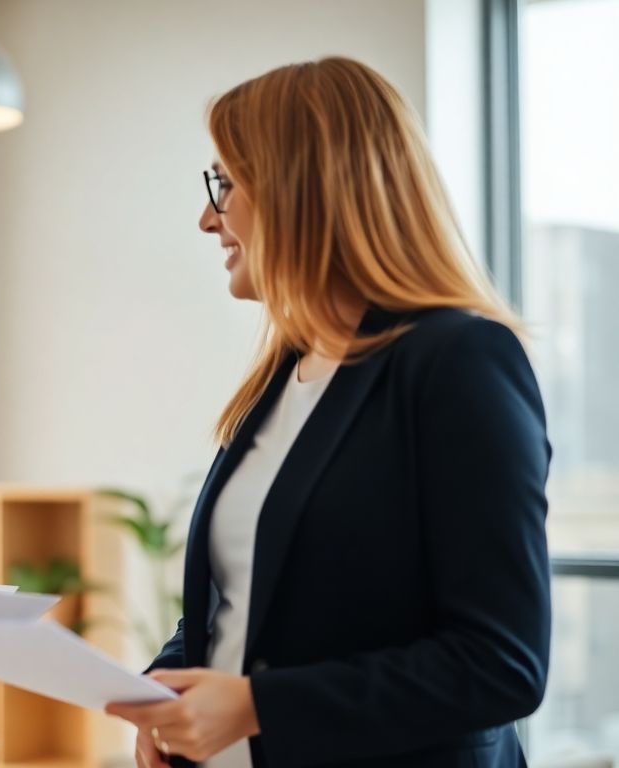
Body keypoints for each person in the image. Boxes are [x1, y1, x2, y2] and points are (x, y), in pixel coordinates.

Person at [105, 57, 551, 768]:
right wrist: (165, 692)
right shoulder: (282, 375)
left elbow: (501, 662)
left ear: (300, 188)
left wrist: (256, 708)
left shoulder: (459, 361)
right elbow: (236, 605)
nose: (206, 217)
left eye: (224, 183)